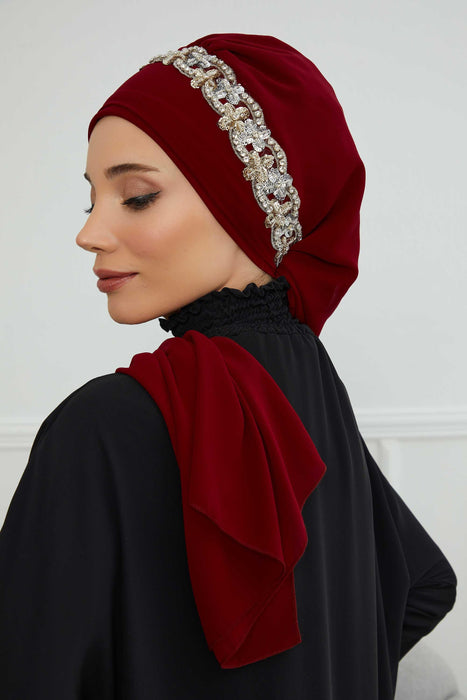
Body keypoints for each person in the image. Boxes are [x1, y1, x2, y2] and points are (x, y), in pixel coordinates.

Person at [0, 32, 457, 700]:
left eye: (136, 196)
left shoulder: (103, 426)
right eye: (90, 199)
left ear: (245, 203)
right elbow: (425, 585)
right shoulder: (310, 383)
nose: (89, 233)